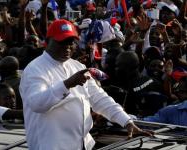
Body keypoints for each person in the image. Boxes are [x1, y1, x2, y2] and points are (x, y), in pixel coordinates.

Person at [19, 19, 152, 150]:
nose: (68, 46)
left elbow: (99, 98)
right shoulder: (34, 69)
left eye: (71, 42)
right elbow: (36, 104)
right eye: (62, 42)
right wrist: (66, 84)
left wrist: (126, 121)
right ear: (47, 42)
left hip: (84, 144)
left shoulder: (77, 66)